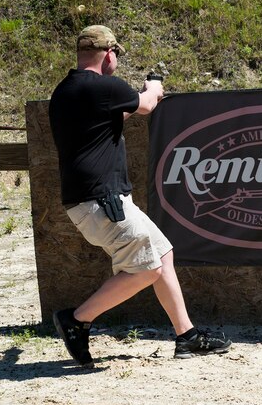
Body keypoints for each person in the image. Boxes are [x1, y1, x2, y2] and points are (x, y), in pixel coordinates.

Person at [48, 24, 231, 366]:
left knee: (162, 255)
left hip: (96, 201)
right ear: (109, 54)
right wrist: (154, 86)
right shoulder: (103, 86)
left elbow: (116, 113)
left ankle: (186, 335)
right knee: (147, 269)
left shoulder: (66, 91)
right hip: (103, 201)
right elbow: (146, 105)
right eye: (116, 54)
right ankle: (77, 319)